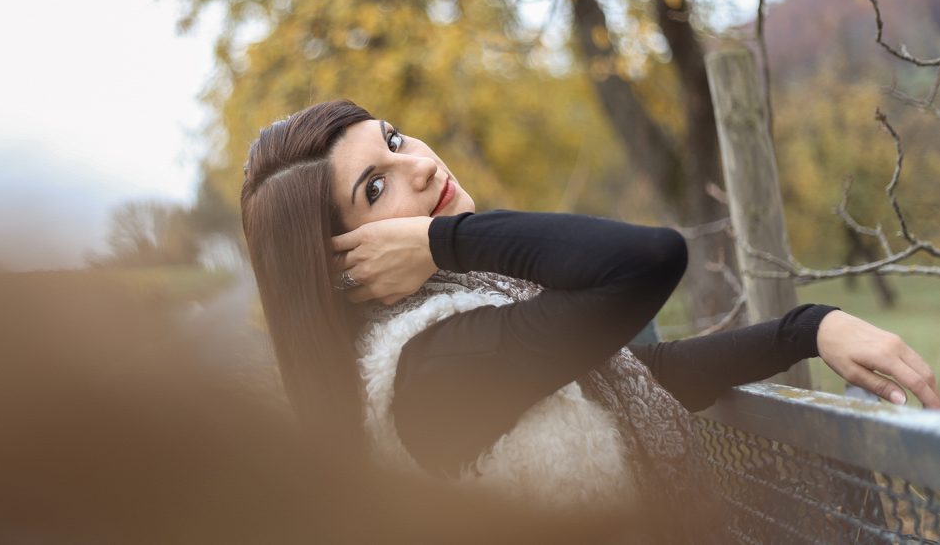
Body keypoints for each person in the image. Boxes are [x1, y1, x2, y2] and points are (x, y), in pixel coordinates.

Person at [240, 100, 939, 523]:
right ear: (336, 266)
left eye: (393, 139)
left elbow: (635, 374)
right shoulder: (428, 369)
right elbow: (644, 261)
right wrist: (439, 238)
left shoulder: (459, 317)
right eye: (374, 187)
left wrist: (808, 327)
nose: (418, 164)